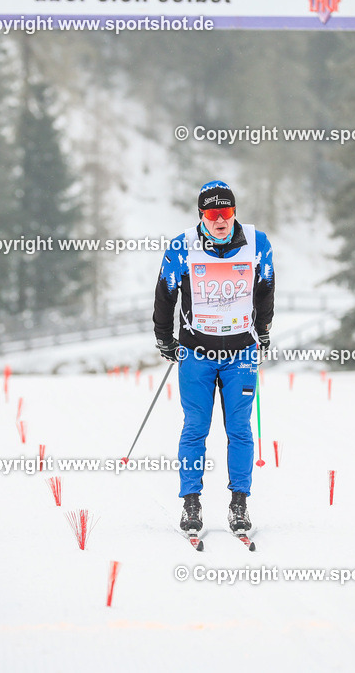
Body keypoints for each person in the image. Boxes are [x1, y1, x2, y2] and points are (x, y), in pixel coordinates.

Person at [153, 181, 275, 536]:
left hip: (240, 353)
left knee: (239, 429)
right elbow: (165, 293)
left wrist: (263, 330)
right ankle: (191, 503)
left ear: (235, 212)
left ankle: (239, 504)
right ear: (201, 216)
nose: (220, 220)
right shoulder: (182, 246)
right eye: (212, 213)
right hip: (196, 352)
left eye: (226, 212)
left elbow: (266, 289)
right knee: (195, 427)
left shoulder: (257, 243)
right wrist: (164, 338)